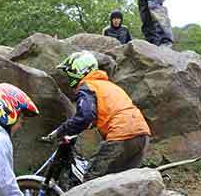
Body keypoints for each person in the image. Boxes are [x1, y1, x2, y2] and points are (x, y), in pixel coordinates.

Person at [46, 51, 151, 181]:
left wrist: (59, 132)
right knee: (122, 182)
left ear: (79, 70)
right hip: (142, 135)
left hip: (121, 135)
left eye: (69, 72)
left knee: (91, 181)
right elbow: (105, 113)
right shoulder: (109, 86)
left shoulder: (87, 87)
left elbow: (84, 117)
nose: (68, 77)